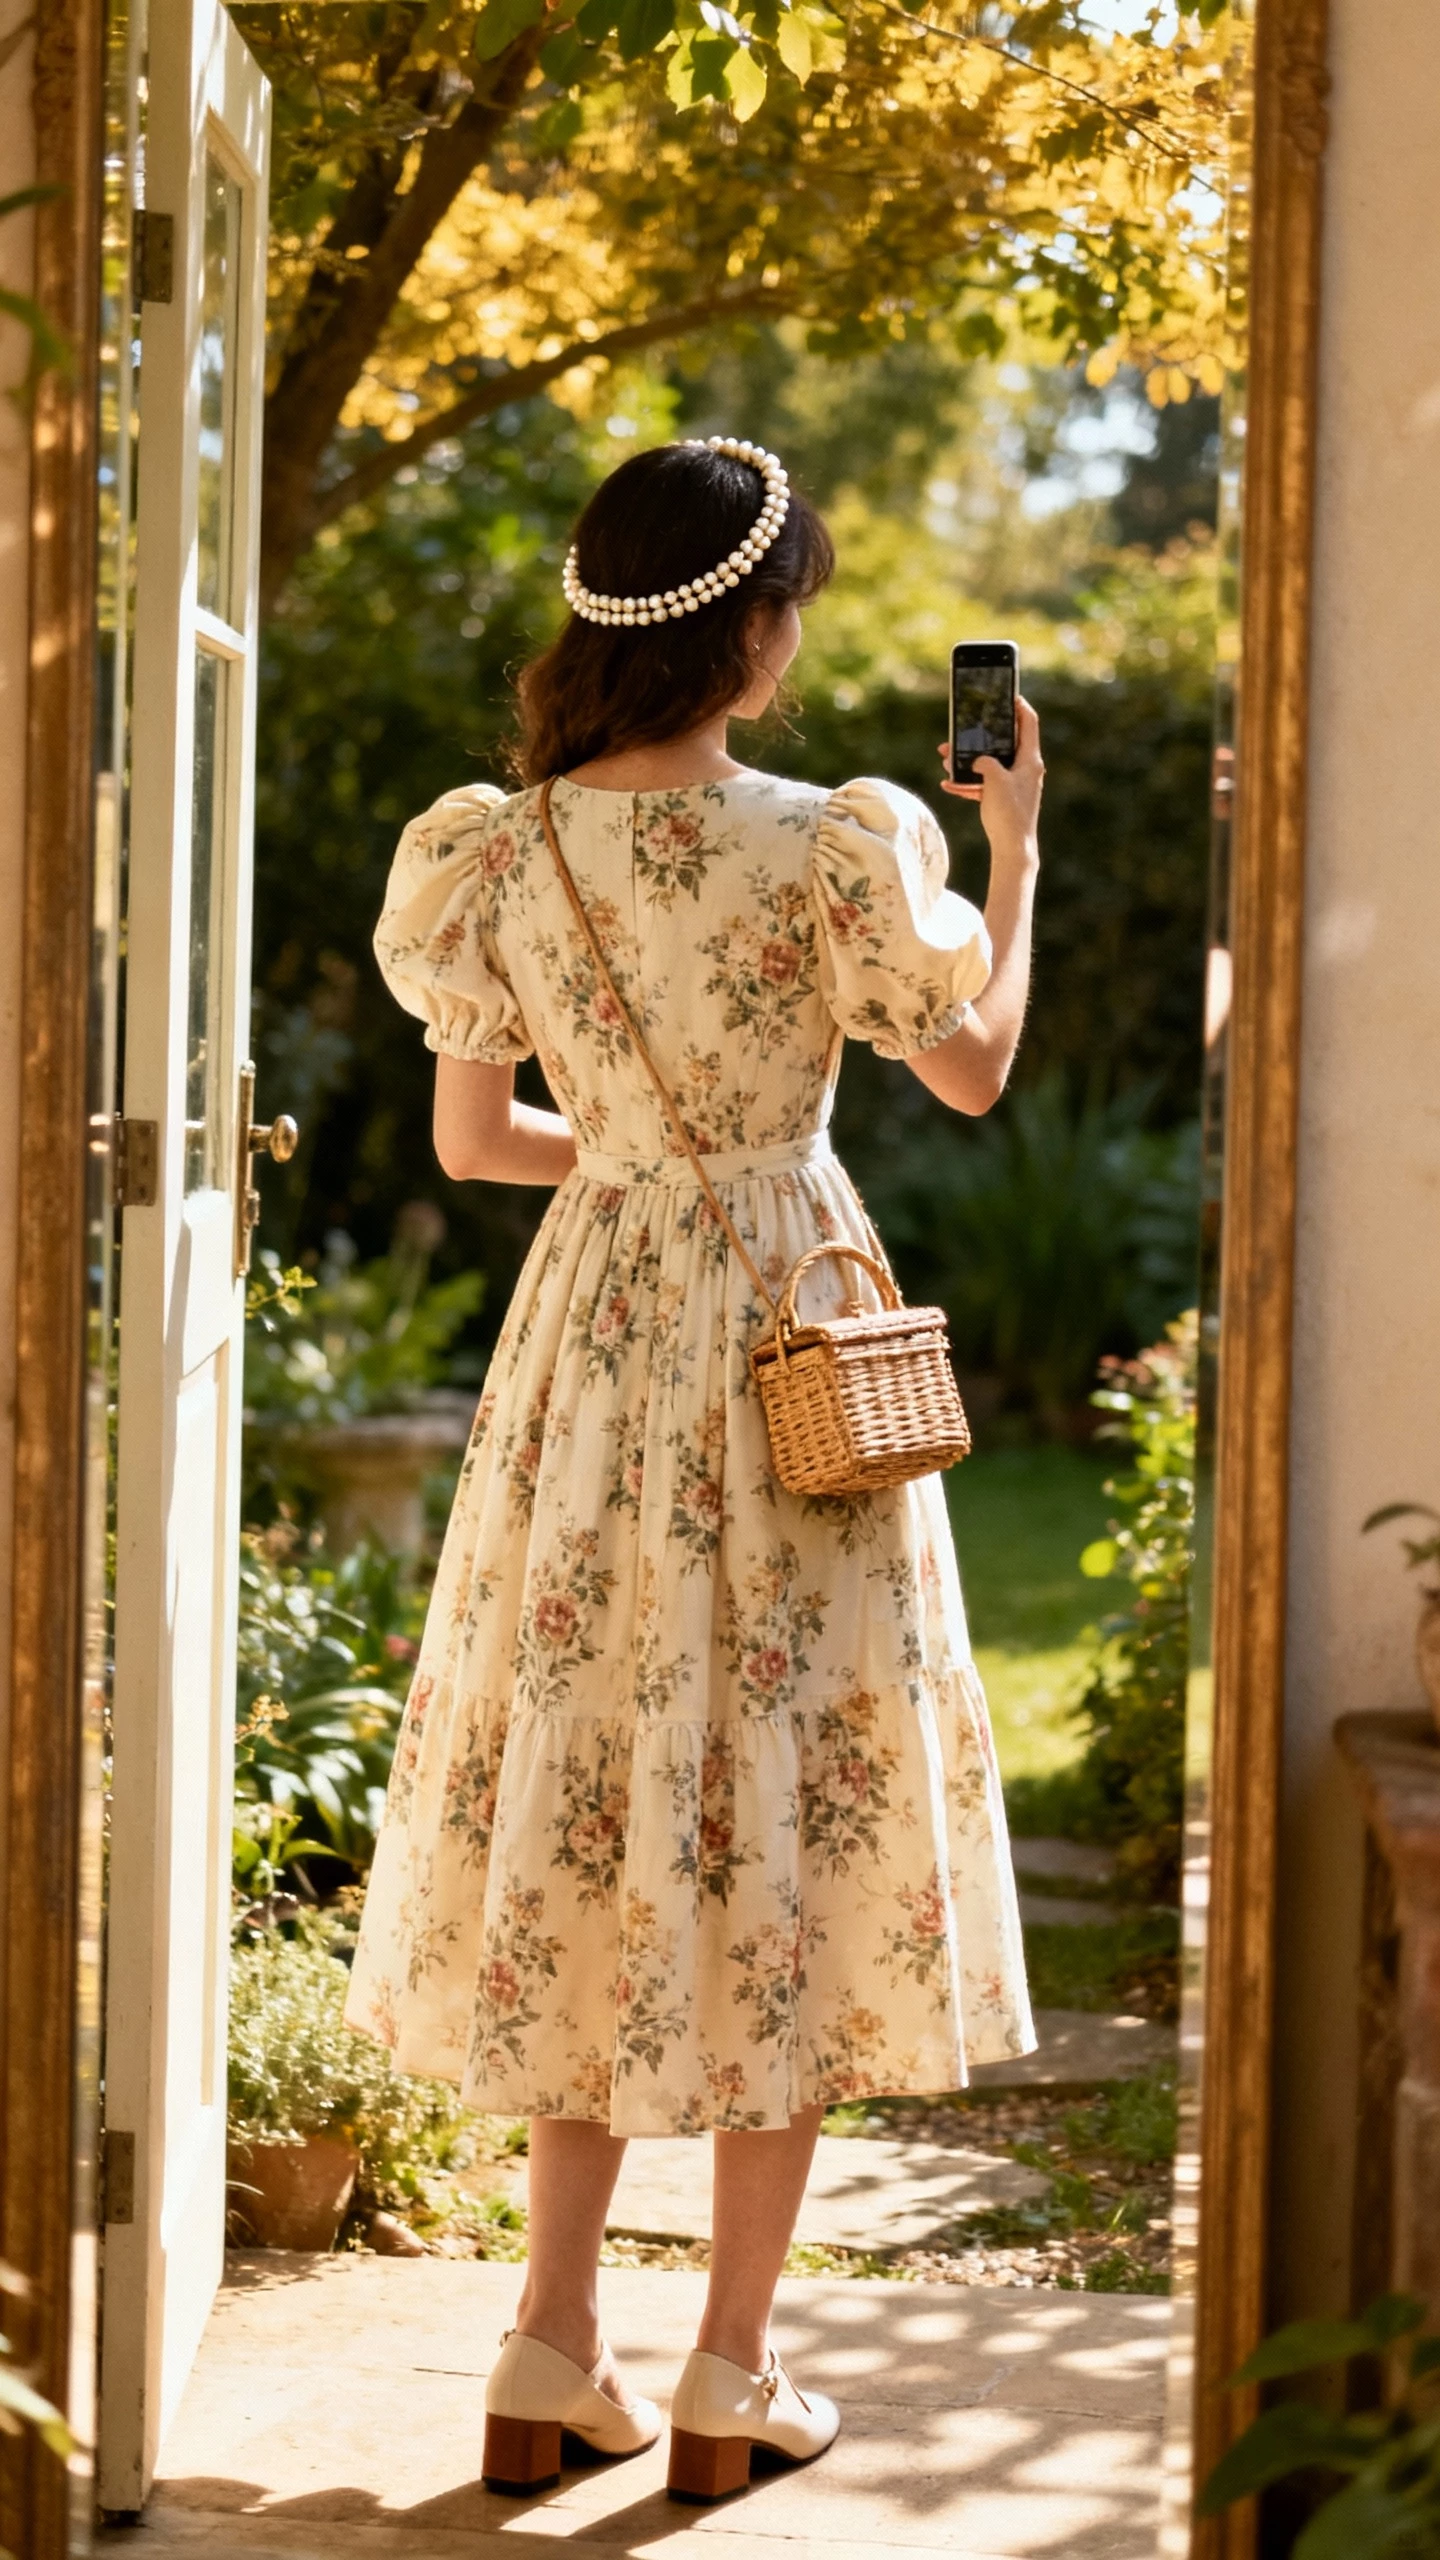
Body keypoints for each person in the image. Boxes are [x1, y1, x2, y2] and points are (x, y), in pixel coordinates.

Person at [345, 434, 1043, 2502]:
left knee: (592, 1791)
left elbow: (478, 1139)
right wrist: (1013, 857)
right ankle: (735, 2363)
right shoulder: (832, 841)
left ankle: (550, 2338)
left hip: (590, 1354)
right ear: (747, 629)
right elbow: (974, 1069)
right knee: (791, 1816)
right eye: (790, 605)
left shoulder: (498, 852)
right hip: (787, 1348)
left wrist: (648, 1161)